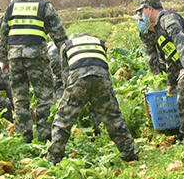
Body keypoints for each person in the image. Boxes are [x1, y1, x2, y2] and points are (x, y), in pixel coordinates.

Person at [47, 34, 138, 165]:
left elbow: (66, 74)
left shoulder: (67, 45)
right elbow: (105, 68)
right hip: (102, 77)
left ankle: (53, 158)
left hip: (78, 77)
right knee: (113, 117)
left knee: (63, 119)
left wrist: (72, 97)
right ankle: (130, 154)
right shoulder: (99, 42)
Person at [0, 0, 68, 143]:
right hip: (36, 57)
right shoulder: (44, 6)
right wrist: (67, 56)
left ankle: (24, 138)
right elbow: (59, 35)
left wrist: (3, 61)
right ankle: (44, 137)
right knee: (44, 97)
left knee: (20, 99)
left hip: (14, 58)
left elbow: (2, 37)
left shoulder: (11, 7)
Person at [135, 0, 184, 142]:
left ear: (150, 9)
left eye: (142, 11)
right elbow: (170, 58)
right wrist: (171, 82)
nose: (142, 16)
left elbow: (178, 37)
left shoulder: (167, 18)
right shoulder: (159, 30)